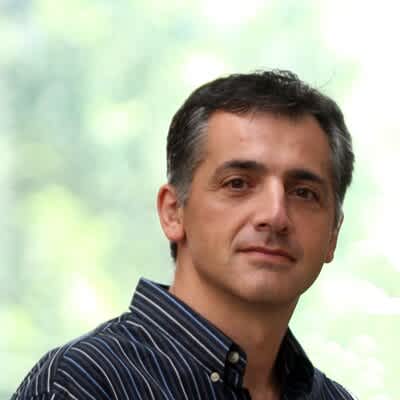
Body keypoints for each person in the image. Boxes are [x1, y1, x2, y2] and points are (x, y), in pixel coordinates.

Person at [12, 70, 356, 400]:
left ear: (333, 234)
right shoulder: (81, 385)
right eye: (238, 184)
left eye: (304, 193)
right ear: (173, 212)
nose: (275, 215)